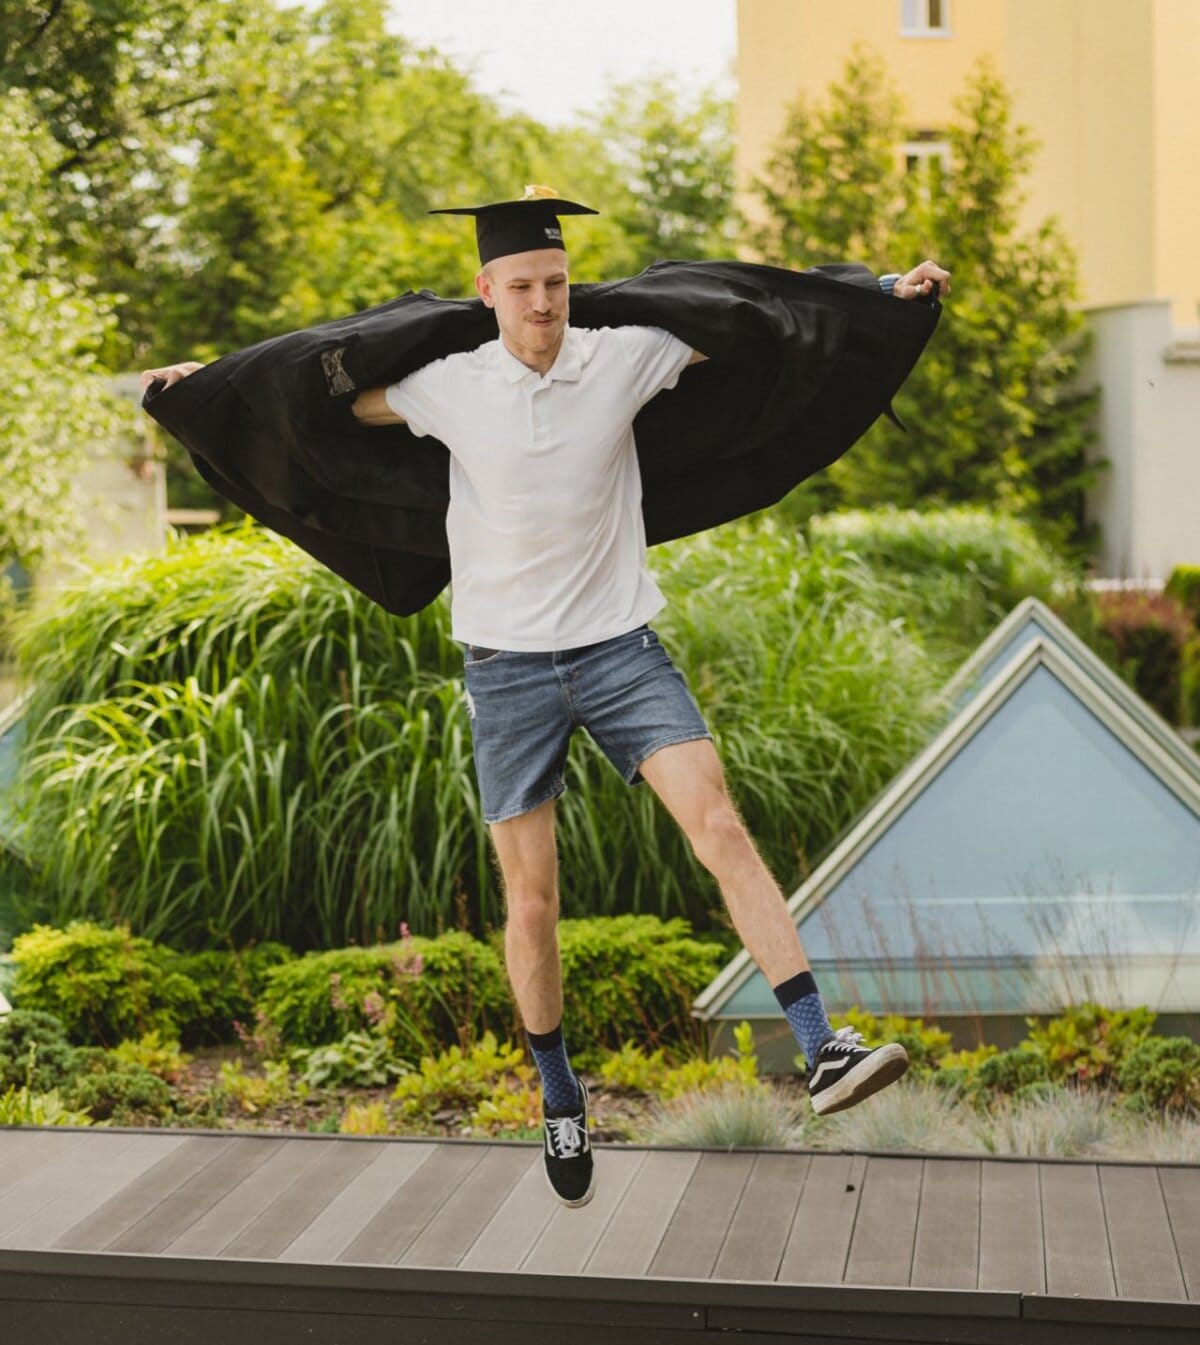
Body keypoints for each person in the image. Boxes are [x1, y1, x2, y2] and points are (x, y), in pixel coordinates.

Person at [141, 188, 951, 1210]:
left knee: (721, 828)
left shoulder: (625, 356)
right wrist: (203, 388)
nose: (543, 304)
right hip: (507, 670)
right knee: (534, 900)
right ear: (486, 292)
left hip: (620, 648)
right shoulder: (446, 384)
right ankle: (561, 1096)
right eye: (522, 287)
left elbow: (754, 315)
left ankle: (820, 1046)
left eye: (557, 285)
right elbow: (311, 387)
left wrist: (879, 296)